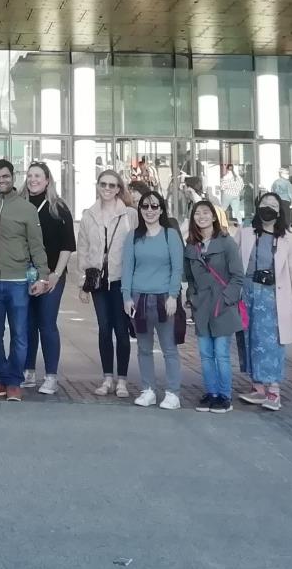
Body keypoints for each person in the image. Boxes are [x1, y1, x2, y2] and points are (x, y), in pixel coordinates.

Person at [0, 158, 48, 401]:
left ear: (12, 177)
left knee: (19, 333)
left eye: (5, 176)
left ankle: (14, 381)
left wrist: (44, 276)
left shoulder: (26, 209)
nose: (1, 180)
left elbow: (37, 246)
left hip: (18, 281)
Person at [236, 190, 292, 410]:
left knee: (271, 342)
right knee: (249, 339)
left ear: (280, 211)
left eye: (273, 205)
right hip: (248, 294)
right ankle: (257, 386)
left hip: (272, 297)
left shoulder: (287, 240)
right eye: (265, 203)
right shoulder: (246, 233)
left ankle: (274, 390)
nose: (269, 207)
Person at [122, 186, 184, 409]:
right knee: (144, 348)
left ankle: (173, 392)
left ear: (161, 210)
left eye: (154, 206)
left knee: (169, 348)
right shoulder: (134, 237)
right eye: (145, 206)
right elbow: (127, 268)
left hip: (163, 298)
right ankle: (148, 389)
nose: (149, 210)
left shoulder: (170, 235)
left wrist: (173, 296)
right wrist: (126, 297)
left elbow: (177, 268)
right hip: (139, 298)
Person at [77, 167, 137, 395]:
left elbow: (135, 246)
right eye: (103, 184)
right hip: (98, 280)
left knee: (121, 329)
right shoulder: (88, 214)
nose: (107, 189)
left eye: (112, 185)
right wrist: (84, 280)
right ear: (98, 186)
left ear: (119, 189)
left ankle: (122, 379)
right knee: (104, 328)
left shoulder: (129, 215)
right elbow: (82, 247)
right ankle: (107, 378)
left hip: (122, 279)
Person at [184, 199, 244, 413]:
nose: (201, 217)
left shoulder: (227, 243)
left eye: (205, 212)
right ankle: (211, 392)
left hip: (222, 306)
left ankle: (224, 395)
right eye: (197, 213)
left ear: (213, 216)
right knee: (205, 353)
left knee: (221, 353)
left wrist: (227, 299)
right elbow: (189, 277)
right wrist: (193, 297)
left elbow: (238, 276)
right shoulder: (191, 245)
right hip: (202, 307)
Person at [21, 163, 76, 395]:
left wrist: (55, 275)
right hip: (24, 274)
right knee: (27, 325)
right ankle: (28, 371)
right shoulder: (20, 205)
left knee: (47, 323)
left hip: (51, 275)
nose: (33, 180)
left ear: (47, 180)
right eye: (30, 176)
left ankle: (51, 375)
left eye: (38, 176)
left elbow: (67, 245)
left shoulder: (58, 208)